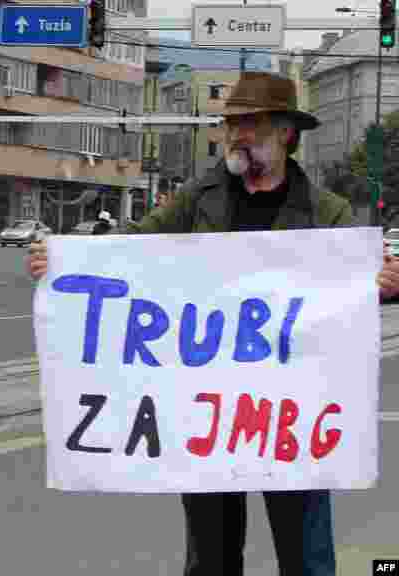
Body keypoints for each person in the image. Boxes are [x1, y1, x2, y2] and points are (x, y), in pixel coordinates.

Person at [26, 71, 399, 576]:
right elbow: (133, 247)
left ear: (286, 132)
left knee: (307, 556)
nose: (237, 134)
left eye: (250, 123)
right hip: (209, 412)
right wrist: (66, 262)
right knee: (210, 557)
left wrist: (386, 285)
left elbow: (355, 293)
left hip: (290, 414)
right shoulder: (200, 196)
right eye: (232, 124)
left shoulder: (323, 213)